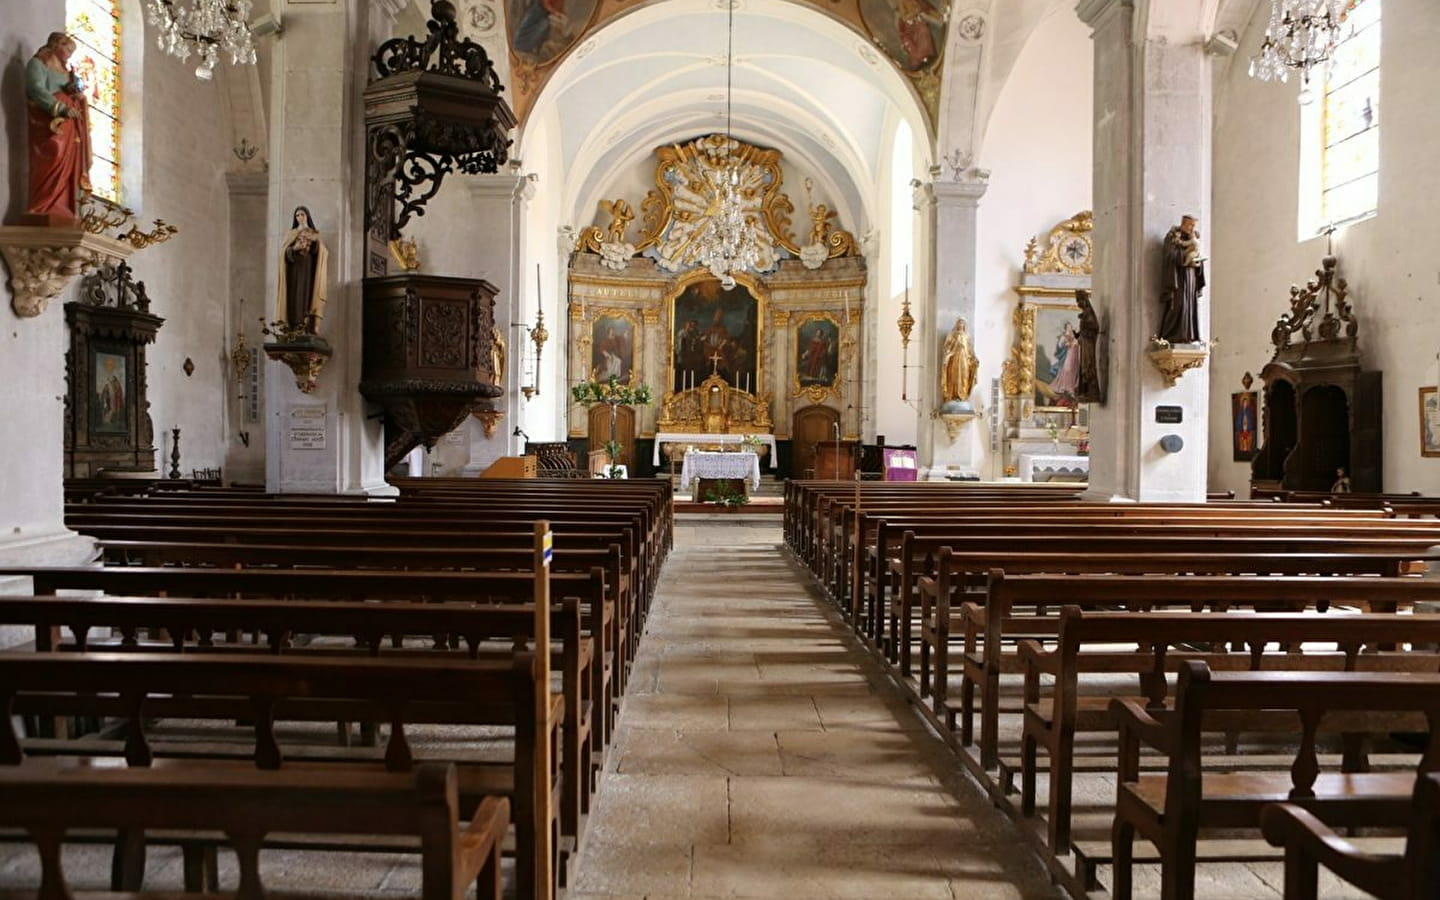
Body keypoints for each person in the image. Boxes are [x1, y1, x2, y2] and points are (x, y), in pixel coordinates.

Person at [25, 32, 91, 223]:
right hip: (49, 125)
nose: (69, 54)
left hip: (71, 126)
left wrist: (79, 98)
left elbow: (77, 94)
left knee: (71, 166)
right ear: (54, 44)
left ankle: (64, 208)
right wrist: (60, 107)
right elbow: (36, 89)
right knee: (53, 156)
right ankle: (42, 206)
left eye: (72, 51)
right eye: (67, 48)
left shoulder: (69, 74)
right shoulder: (38, 64)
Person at [275, 206, 328, 335]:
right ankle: (293, 324)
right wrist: (294, 249)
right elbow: (283, 253)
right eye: (297, 215)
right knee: (294, 295)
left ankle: (305, 324)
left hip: (307, 268)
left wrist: (314, 244)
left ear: (307, 216)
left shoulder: (314, 233)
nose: (300, 218)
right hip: (294, 269)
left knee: (306, 294)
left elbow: (320, 252)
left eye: (302, 215)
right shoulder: (291, 233)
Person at [1159, 214, 1205, 344]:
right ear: (1184, 223)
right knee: (1178, 304)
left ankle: (1188, 335)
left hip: (1191, 277)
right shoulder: (1172, 237)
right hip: (1178, 279)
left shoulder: (1194, 237)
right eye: (1190, 225)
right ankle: (1172, 334)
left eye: (1193, 226)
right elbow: (1170, 256)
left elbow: (1198, 255)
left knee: (1190, 306)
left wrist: (1197, 261)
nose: (1192, 228)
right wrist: (1184, 255)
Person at [940, 316, 979, 405]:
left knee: (964, 376)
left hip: (965, 360)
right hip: (954, 359)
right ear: (957, 324)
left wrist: (974, 359)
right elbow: (946, 347)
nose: (961, 324)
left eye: (962, 323)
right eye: (959, 322)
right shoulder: (952, 335)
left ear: (964, 325)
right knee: (954, 376)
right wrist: (950, 352)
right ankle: (952, 396)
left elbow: (970, 350)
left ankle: (963, 396)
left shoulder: (967, 336)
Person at [1074, 290, 1103, 403]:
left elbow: (1094, 328)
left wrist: (1085, 333)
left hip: (1089, 345)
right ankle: (1086, 391)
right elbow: (1084, 330)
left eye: (1080, 300)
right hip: (1084, 344)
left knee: (1089, 367)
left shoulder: (1089, 314)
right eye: (1078, 301)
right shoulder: (1085, 315)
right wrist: (1078, 335)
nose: (1078, 304)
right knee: (1084, 368)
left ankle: (1091, 391)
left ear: (1085, 301)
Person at [895, 0, 942, 69]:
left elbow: (926, 8)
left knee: (923, 29)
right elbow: (904, 17)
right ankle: (919, 59)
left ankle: (927, 54)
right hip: (909, 26)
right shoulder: (901, 2)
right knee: (914, 36)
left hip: (918, 21)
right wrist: (914, 13)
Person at [1048, 321, 1080, 399]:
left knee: (1073, 370)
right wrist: (1068, 343)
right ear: (1066, 327)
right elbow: (1062, 345)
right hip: (1070, 353)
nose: (1070, 327)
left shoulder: (1074, 333)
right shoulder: (1065, 336)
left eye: (1070, 326)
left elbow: (1078, 341)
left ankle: (1071, 388)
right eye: (1068, 326)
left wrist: (1075, 342)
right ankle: (1065, 387)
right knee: (1067, 369)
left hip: (1075, 353)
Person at [1234, 392, 1256, 456]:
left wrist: (1248, 424)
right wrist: (1241, 425)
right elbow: (1238, 421)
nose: (1245, 404)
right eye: (1244, 403)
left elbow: (1251, 420)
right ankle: (1242, 449)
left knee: (1248, 438)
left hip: (1248, 429)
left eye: (1246, 403)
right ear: (1242, 403)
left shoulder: (1249, 412)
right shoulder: (1240, 412)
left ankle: (1248, 449)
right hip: (1241, 429)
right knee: (1242, 439)